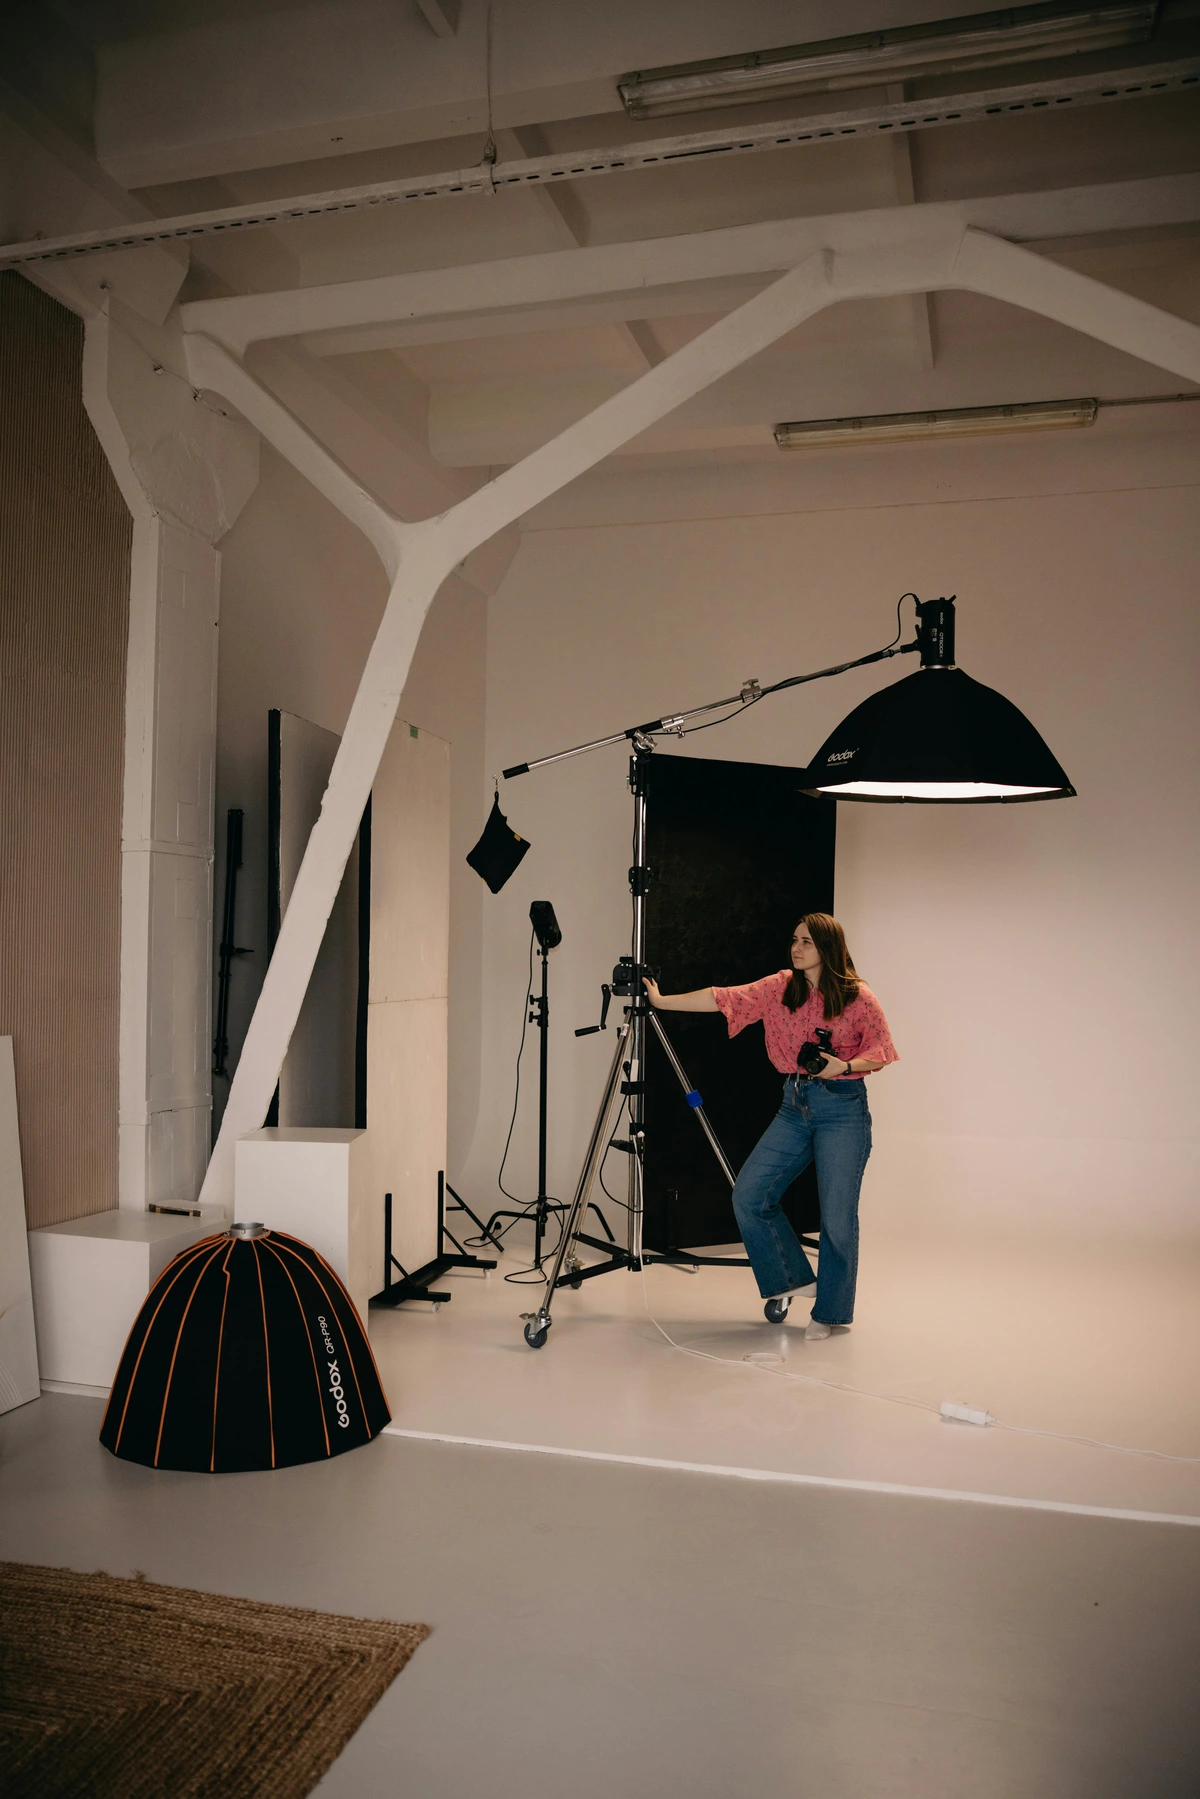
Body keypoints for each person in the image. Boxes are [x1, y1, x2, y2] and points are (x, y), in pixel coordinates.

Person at [644, 913, 897, 1340]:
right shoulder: (781, 986)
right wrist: (664, 1000)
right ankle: (794, 1279)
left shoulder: (858, 997)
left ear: (828, 949)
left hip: (843, 1110)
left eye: (807, 942)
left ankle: (831, 1312)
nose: (796, 948)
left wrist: (844, 1065)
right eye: (794, 940)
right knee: (750, 1195)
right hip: (794, 1104)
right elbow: (724, 998)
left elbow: (884, 1050)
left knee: (836, 1218)